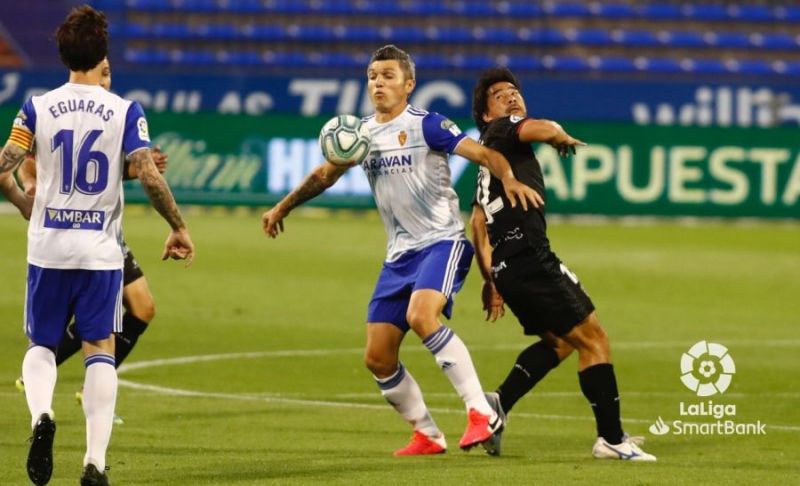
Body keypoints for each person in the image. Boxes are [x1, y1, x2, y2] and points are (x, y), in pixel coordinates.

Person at [263, 45, 542, 456]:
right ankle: (428, 434)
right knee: (378, 358)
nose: (378, 82)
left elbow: (485, 153)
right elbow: (325, 174)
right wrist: (281, 207)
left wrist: (511, 179)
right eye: (373, 75)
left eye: (388, 75)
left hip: (442, 242)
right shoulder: (359, 135)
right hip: (398, 256)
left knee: (421, 315)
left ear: (409, 85)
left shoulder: (427, 125)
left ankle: (480, 411)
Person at [0, 6, 194, 485]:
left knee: (41, 345)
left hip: (48, 247)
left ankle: (41, 415)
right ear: (102, 53)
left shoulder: (37, 107)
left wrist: (26, 203)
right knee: (100, 348)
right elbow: (147, 171)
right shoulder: (125, 109)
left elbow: (5, 165)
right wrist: (178, 225)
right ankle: (93, 463)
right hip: (99, 251)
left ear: (64, 54)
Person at [468, 67, 655, 461]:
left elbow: (478, 224)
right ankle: (611, 439)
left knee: (560, 343)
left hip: (510, 266)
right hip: (532, 258)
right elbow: (544, 128)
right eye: (499, 95)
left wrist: (492, 279)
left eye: (515, 91)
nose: (511, 97)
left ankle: (498, 402)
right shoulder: (504, 131)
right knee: (594, 340)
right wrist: (559, 135)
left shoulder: (488, 162)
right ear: (486, 115)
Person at [12, 58, 167, 426]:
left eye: (111, 72)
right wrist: (30, 186)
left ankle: (79, 386)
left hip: (103, 231)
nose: (108, 78)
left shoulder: (107, 113)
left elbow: (102, 171)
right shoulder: (56, 108)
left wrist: (138, 168)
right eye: (105, 71)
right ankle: (79, 389)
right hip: (87, 236)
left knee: (143, 307)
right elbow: (26, 161)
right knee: (103, 321)